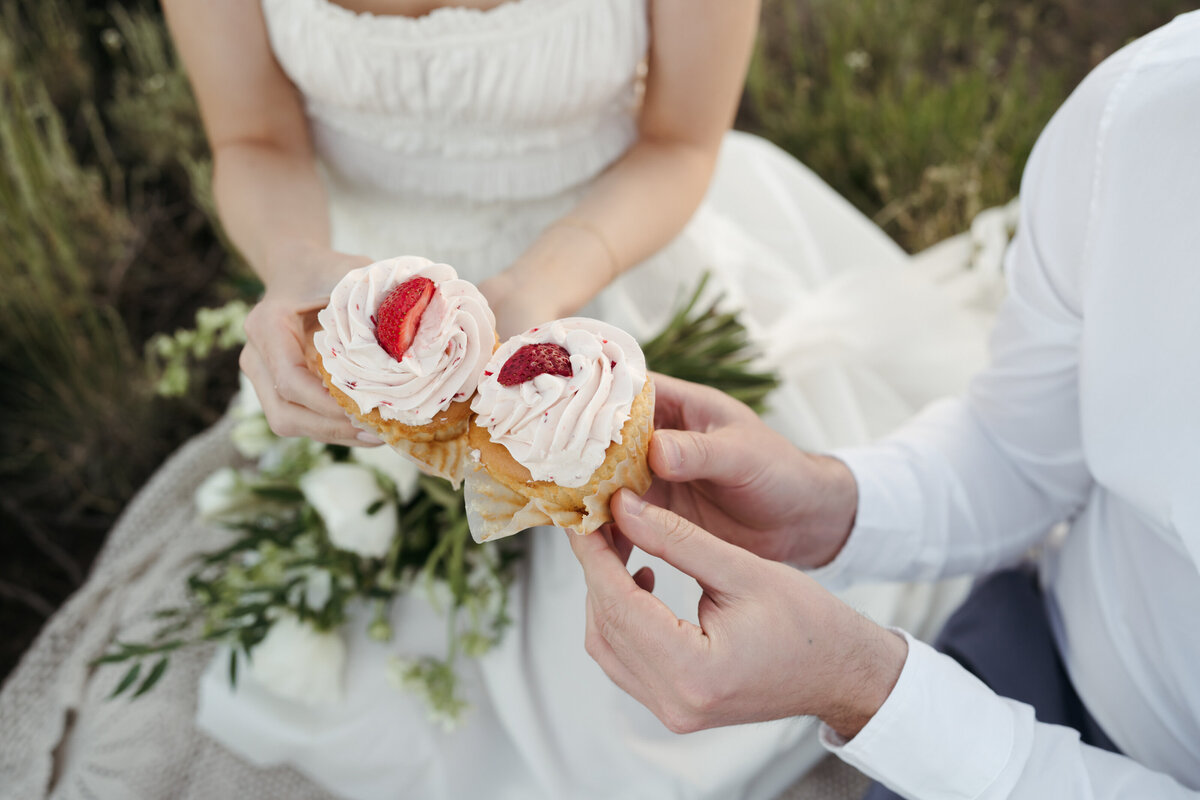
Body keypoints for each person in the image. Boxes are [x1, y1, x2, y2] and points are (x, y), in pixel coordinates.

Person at [70, 1, 991, 798]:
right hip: (380, 319)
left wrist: (534, 293)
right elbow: (254, 137)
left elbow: (681, 138)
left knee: (651, 674)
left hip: (606, 255)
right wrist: (295, 274)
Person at [570, 11, 1200, 798]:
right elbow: (1019, 447)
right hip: (1028, 647)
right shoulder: (1150, 110)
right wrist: (822, 503)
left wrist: (862, 685)